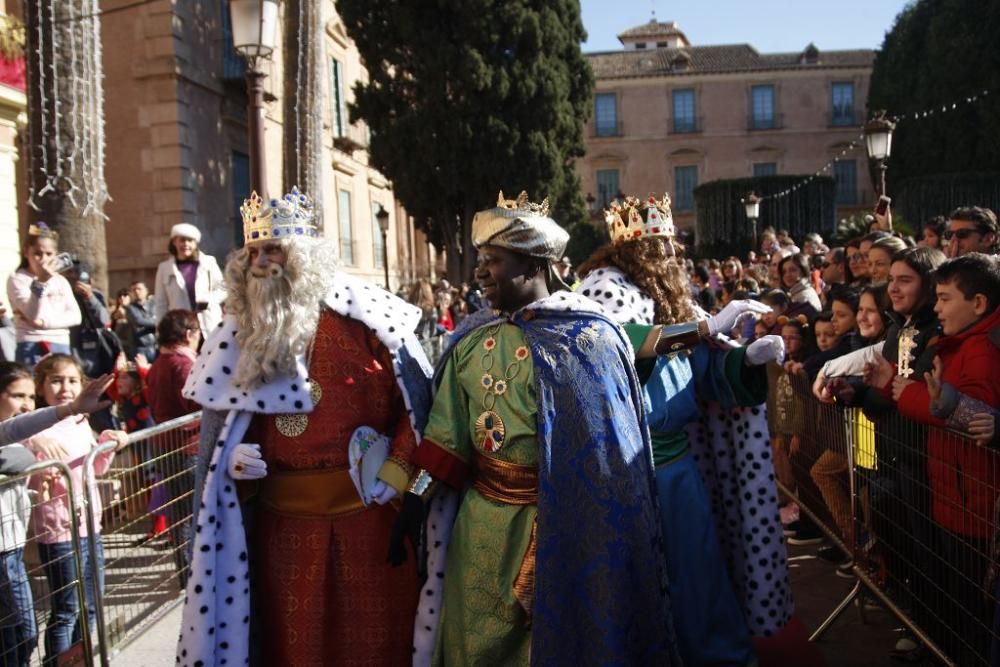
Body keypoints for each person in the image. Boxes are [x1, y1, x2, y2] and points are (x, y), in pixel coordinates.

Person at [402, 191, 681, 665]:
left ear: (534, 265)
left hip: (569, 533)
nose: (480, 272)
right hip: (483, 533)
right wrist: (414, 498)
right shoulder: (470, 341)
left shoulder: (593, 339)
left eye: (494, 259)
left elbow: (614, 457)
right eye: (479, 259)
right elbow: (446, 438)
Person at [175, 188, 432, 666]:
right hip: (281, 534)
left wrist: (395, 473)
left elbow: (415, 408)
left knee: (374, 647)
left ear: (306, 257)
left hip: (368, 522)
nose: (262, 262)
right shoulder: (236, 333)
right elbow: (226, 424)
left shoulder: (369, 321)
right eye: (253, 251)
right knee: (293, 650)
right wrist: (228, 458)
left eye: (274, 250)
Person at [577, 193, 790, 666]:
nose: (673, 256)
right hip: (628, 474)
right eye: (663, 247)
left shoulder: (671, 299)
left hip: (679, 469)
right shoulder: (602, 290)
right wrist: (701, 329)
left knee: (699, 578)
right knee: (644, 586)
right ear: (637, 251)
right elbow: (614, 346)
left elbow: (703, 370)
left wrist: (742, 361)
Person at [891, 253, 1000, 663]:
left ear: (978, 304)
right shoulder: (958, 342)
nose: (936, 307)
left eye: (945, 298)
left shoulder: (983, 351)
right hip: (955, 498)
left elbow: (982, 420)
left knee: (974, 616)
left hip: (976, 507)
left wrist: (934, 400)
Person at [26, 354, 127, 666]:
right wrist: (36, 446)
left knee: (92, 603)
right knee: (67, 608)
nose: (65, 387)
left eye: (72, 380)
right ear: (41, 386)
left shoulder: (80, 420)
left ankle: (77, 659)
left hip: (90, 525)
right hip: (58, 530)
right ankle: (57, 661)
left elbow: (93, 467)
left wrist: (108, 442)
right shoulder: (35, 425)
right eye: (56, 380)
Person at [6, 223, 81, 367]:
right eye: (37, 254)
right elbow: (32, 314)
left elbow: (75, 316)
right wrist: (40, 282)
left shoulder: (61, 281)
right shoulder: (17, 278)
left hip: (61, 343)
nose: (43, 259)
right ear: (26, 252)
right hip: (32, 344)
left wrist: (44, 323)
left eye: (48, 254)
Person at [153, 223, 225, 335]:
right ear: (174, 242)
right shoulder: (164, 268)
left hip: (208, 325)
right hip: (179, 327)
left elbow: (223, 288)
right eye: (182, 240)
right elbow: (161, 303)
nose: (186, 244)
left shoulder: (209, 262)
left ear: (196, 244)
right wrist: (160, 330)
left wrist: (209, 300)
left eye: (190, 241)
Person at [124, 281, 157, 363]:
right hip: (139, 349)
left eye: (139, 289)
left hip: (155, 347)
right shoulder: (130, 308)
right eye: (134, 290)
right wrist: (156, 323)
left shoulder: (154, 305)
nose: (137, 291)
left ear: (146, 290)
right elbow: (138, 321)